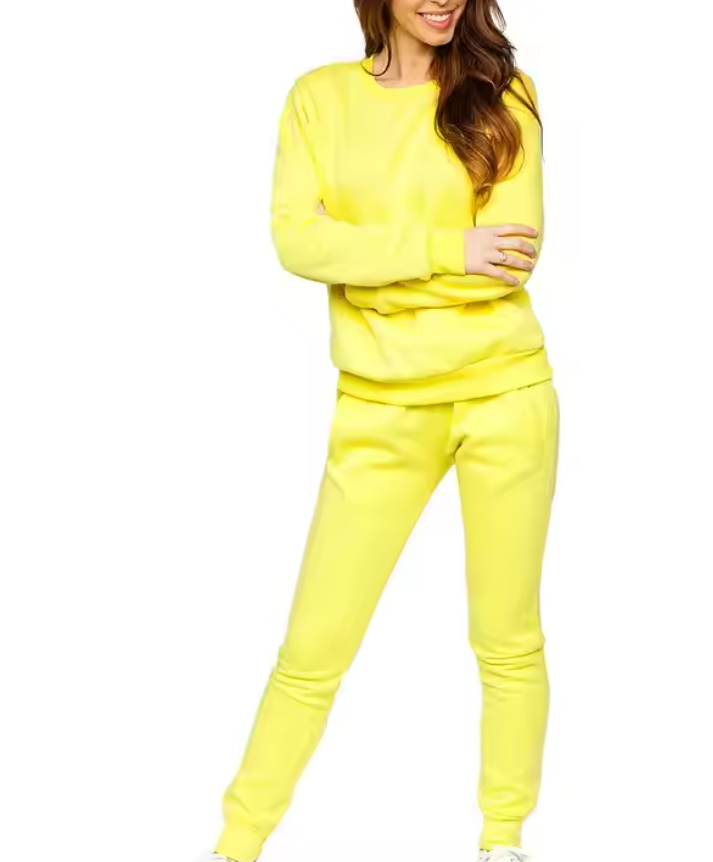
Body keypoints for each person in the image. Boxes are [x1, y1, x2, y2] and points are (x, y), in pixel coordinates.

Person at [208, 1, 559, 860]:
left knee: (506, 638)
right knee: (312, 647)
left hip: (505, 395)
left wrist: (368, 264)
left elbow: (510, 260)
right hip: (377, 406)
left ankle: (503, 840)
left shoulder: (503, 94)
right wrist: (449, 249)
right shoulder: (319, 98)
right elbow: (298, 243)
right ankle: (236, 844)